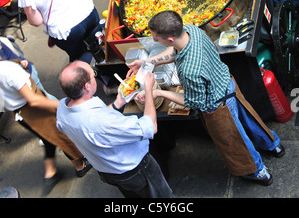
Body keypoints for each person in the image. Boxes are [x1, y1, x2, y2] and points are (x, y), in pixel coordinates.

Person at [127, 10, 285, 186]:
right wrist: (148, 62)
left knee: (236, 141)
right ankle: (274, 145)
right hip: (228, 84)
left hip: (218, 106)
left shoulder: (189, 71)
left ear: (170, 39)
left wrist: (157, 92)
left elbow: (194, 102)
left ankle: (257, 171)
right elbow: (175, 52)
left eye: (156, 38)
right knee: (250, 120)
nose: (155, 40)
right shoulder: (192, 30)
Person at [56, 60, 174, 198]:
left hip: (107, 171)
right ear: (87, 86)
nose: (95, 77)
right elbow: (150, 126)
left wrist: (119, 102)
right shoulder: (101, 123)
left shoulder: (62, 108)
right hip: (134, 170)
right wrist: (148, 90)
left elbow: (97, 118)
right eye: (93, 75)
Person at [0, 59, 92, 195]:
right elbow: (34, 100)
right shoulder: (8, 71)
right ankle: (80, 166)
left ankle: (51, 173)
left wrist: (19, 62)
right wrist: (65, 105)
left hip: (20, 114)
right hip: (34, 109)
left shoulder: (6, 67)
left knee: (48, 137)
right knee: (61, 135)